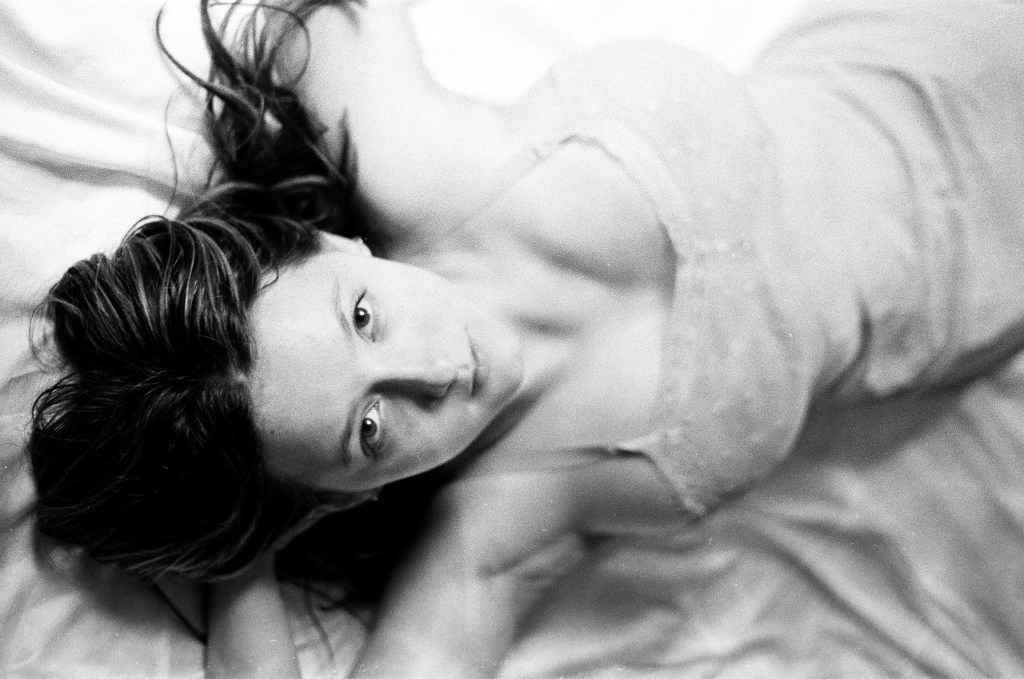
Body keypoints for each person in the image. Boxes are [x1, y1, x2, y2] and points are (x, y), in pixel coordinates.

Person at [27, 0, 1024, 676]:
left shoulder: (419, 161)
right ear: (343, 497)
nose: (436, 369)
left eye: (363, 316)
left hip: (942, 45)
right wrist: (242, 552)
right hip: (981, 314)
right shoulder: (498, 525)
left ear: (330, 243)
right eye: (370, 428)